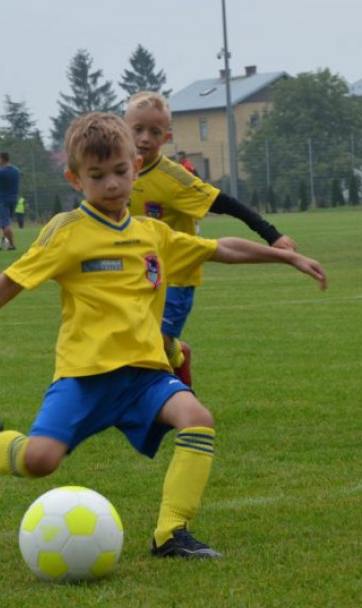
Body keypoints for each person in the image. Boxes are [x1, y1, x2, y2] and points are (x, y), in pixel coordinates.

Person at [0, 111, 327, 559]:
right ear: (75, 178)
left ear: (135, 168)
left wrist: (285, 257)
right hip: (85, 376)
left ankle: (171, 533)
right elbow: (13, 280)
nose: (112, 185)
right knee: (40, 462)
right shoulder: (66, 231)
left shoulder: (152, 234)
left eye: (120, 172)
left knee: (197, 418)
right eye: (97, 176)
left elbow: (220, 249)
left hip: (144, 376)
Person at [124, 91, 297, 387]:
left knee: (155, 347)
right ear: (123, 128)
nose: (144, 138)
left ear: (166, 137)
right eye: (137, 129)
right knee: (136, 346)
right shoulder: (119, 173)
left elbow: (226, 203)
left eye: (154, 132)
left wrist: (273, 235)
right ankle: (176, 358)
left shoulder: (175, 179)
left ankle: (172, 388)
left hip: (177, 275)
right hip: (138, 275)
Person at [0, 151, 20, 250]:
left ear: (2, 159)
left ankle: (11, 245)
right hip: (14, 199)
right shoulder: (16, 170)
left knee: (5, 224)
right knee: (7, 222)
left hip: (3, 199)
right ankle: (3, 241)